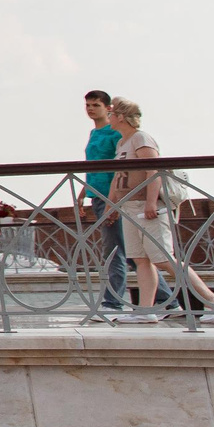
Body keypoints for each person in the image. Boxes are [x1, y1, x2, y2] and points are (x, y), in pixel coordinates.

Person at [108, 98, 214, 323]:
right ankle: (146, 311)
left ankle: (212, 300)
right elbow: (118, 176)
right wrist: (112, 204)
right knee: (140, 259)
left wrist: (150, 202)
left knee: (164, 259)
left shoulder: (141, 138)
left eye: (112, 113)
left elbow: (153, 170)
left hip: (146, 208)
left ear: (120, 116)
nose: (109, 118)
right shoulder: (122, 143)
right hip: (129, 207)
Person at [82, 91, 130, 316]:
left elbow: (120, 165)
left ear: (108, 108)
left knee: (115, 250)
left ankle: (113, 303)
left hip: (112, 196)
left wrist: (115, 200)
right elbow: (93, 164)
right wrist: (83, 192)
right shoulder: (94, 132)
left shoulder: (114, 133)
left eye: (95, 105)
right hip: (97, 195)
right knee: (125, 250)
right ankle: (166, 300)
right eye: (88, 105)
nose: (90, 109)